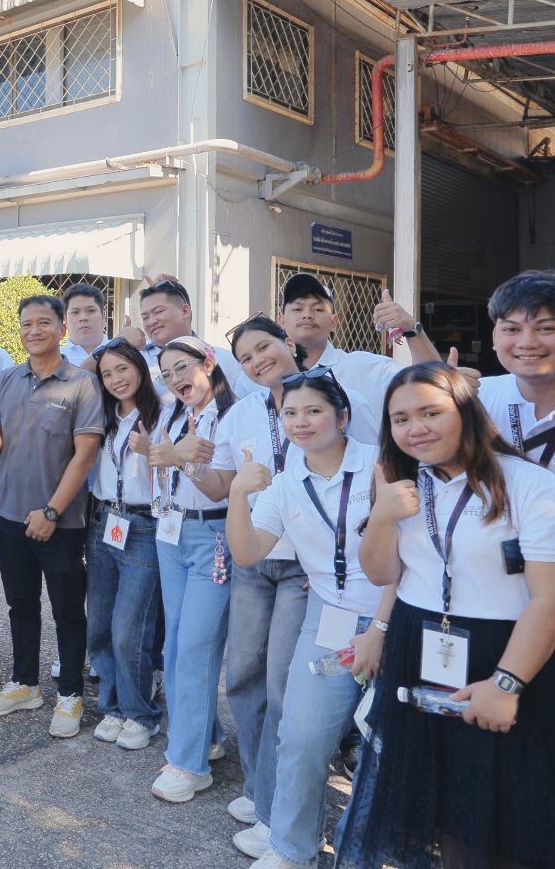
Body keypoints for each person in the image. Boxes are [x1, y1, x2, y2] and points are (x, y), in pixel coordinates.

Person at [336, 363, 555, 869]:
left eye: (430, 412)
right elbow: (381, 572)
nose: (415, 428)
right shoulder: (403, 486)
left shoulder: (530, 485)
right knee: (450, 815)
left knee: (520, 816)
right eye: (400, 419)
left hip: (514, 656)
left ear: (466, 413)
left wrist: (506, 684)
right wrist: (382, 514)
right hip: (423, 650)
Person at [225, 372, 394, 869]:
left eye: (314, 411)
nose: (301, 422)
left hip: (393, 611)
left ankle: (370, 848)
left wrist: (380, 631)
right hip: (329, 614)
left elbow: (408, 561)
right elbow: (249, 552)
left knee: (385, 742)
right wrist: (238, 495)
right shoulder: (284, 484)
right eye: (291, 413)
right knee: (301, 735)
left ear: (342, 417)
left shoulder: (379, 468)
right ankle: (292, 849)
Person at [0, 294, 102, 737]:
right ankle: (25, 683)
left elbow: (84, 456)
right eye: (27, 323)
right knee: (20, 605)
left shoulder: (81, 384)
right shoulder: (7, 379)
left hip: (61, 521)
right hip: (9, 515)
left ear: (61, 329)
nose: (35, 330)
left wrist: (52, 510)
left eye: (44, 322)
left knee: (68, 610)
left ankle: (70, 693)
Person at [215, 315, 312, 849]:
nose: (256, 362)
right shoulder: (242, 412)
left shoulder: (325, 397)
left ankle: (277, 813)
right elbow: (227, 482)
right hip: (254, 560)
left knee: (282, 688)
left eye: (264, 348)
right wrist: (186, 465)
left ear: (288, 343)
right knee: (243, 677)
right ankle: (258, 785)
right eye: (246, 357)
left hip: (304, 565)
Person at [146, 338, 238, 803]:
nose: (177, 379)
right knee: (175, 644)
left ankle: (188, 763)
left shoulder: (231, 414)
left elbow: (221, 489)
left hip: (214, 539)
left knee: (195, 648)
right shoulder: (173, 413)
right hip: (171, 534)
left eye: (184, 367)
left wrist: (186, 459)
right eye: (167, 373)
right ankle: (207, 737)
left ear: (209, 363)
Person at [83, 339, 165, 750]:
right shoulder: (103, 415)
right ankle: (113, 706)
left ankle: (141, 713)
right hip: (102, 521)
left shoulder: (163, 412)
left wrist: (152, 451)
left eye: (123, 369)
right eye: (107, 373)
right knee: (98, 623)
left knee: (131, 626)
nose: (115, 379)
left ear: (141, 367)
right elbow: (79, 373)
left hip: (144, 524)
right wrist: (103, 351)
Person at [477, 270, 555, 509]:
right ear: (494, 337)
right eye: (511, 330)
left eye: (545, 329)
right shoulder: (474, 399)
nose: (527, 343)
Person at [277, 272, 440, 442]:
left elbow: (430, 389)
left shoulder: (370, 369)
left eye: (318, 309)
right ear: (281, 320)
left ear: (334, 322)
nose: (307, 315)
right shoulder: (265, 376)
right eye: (297, 309)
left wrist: (412, 329)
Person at [135, 276, 261, 400]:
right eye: (145, 317)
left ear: (185, 311)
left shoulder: (227, 361)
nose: (151, 321)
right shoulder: (136, 360)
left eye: (158, 312)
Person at [60, 282, 110, 365]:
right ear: (65, 320)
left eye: (91, 311)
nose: (83, 318)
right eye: (75, 312)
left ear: (103, 317)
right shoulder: (53, 359)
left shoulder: (124, 352)